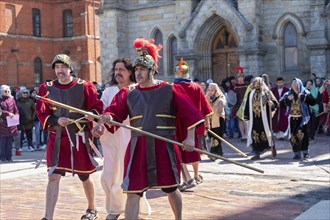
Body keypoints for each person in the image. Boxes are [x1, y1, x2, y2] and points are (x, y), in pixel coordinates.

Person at [92, 38, 204, 220]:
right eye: (136, 69)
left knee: (171, 188)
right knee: (132, 191)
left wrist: (190, 138)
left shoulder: (170, 89)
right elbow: (114, 111)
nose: (138, 73)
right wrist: (108, 118)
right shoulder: (128, 93)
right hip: (138, 146)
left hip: (164, 145)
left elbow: (190, 114)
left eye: (142, 69)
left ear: (152, 71)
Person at [36, 54, 103, 220]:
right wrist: (56, 120)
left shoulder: (85, 86)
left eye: (63, 67)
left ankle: (92, 209)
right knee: (53, 176)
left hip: (78, 137)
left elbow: (96, 107)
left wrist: (91, 115)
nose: (60, 71)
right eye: (57, 67)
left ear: (70, 68)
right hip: (57, 138)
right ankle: (48, 217)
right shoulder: (47, 88)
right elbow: (42, 112)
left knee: (85, 176)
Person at [99, 58, 151, 220]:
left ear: (130, 72)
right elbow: (102, 112)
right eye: (115, 70)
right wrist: (98, 124)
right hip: (111, 139)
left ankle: (138, 209)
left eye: (121, 70)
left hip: (130, 138)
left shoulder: (136, 90)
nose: (117, 73)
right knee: (110, 174)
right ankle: (114, 209)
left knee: (128, 174)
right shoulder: (109, 91)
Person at [172, 58, 213, 191]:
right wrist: (207, 125)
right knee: (195, 150)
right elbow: (206, 108)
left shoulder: (174, 87)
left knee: (179, 149)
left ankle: (188, 177)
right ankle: (195, 175)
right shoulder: (196, 87)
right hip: (197, 123)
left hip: (179, 123)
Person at [280, 78, 316, 159]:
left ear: (299, 84)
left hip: (302, 119)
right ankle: (296, 153)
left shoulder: (305, 92)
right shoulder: (288, 94)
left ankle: (305, 152)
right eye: (292, 84)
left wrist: (303, 97)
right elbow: (281, 104)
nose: (294, 85)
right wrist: (287, 99)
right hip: (292, 119)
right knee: (293, 136)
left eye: (296, 84)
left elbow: (313, 102)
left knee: (304, 136)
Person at [244, 77, 278, 160]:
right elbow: (247, 105)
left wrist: (271, 104)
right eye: (254, 83)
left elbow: (275, 103)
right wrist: (246, 116)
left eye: (258, 83)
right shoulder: (250, 93)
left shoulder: (266, 93)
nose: (256, 85)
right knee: (254, 134)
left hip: (264, 118)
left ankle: (271, 145)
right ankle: (257, 152)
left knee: (266, 133)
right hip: (254, 118)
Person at [205, 83, 226, 160]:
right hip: (210, 120)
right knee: (212, 137)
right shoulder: (207, 97)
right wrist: (207, 97)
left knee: (217, 137)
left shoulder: (221, 97)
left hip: (219, 120)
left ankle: (213, 153)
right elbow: (203, 104)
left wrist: (217, 100)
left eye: (212, 90)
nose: (210, 92)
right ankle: (219, 153)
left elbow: (221, 107)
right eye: (209, 90)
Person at [0, 85, 19, 162]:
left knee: (10, 142)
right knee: (3, 142)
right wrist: (8, 113)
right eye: (5, 91)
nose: (7, 93)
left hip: (11, 123)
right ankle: (3, 157)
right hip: (2, 123)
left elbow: (16, 109)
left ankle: (9, 157)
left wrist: (16, 115)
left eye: (8, 91)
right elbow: (0, 111)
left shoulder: (12, 100)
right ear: (1, 92)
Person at [232, 69, 247, 141]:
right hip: (238, 105)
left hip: (246, 104)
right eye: (239, 77)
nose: (240, 78)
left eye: (241, 77)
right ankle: (243, 135)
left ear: (243, 78)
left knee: (246, 120)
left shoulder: (247, 85)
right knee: (240, 121)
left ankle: (247, 135)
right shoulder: (234, 86)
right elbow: (232, 96)